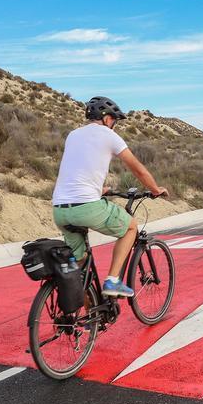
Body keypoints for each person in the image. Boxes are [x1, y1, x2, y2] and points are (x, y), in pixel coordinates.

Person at [51, 96, 168, 298]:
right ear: (106, 118)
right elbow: (138, 170)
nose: (114, 125)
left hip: (60, 209)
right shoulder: (109, 135)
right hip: (86, 206)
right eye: (114, 120)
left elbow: (79, 167)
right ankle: (113, 281)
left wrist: (98, 188)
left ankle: (89, 319)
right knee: (131, 227)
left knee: (80, 269)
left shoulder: (73, 135)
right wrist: (155, 189)